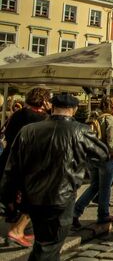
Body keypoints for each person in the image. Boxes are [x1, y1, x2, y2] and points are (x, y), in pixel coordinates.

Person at [0, 93, 108, 261]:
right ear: (73, 110)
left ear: (52, 107)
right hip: (61, 197)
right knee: (49, 246)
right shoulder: (81, 131)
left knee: (44, 243)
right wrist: (81, 161)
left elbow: (11, 168)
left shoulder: (29, 130)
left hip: (33, 196)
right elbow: (102, 154)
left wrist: (8, 198)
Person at [0, 88, 50, 247]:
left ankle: (14, 230)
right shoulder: (42, 119)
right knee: (32, 198)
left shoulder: (18, 114)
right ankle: (16, 232)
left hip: (9, 160)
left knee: (12, 197)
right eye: (48, 99)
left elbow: (7, 135)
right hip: (29, 165)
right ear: (43, 101)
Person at [73, 96, 113, 228]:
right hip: (105, 157)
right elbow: (111, 141)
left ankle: (75, 212)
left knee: (94, 186)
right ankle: (103, 215)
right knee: (105, 187)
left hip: (91, 156)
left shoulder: (93, 117)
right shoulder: (109, 118)